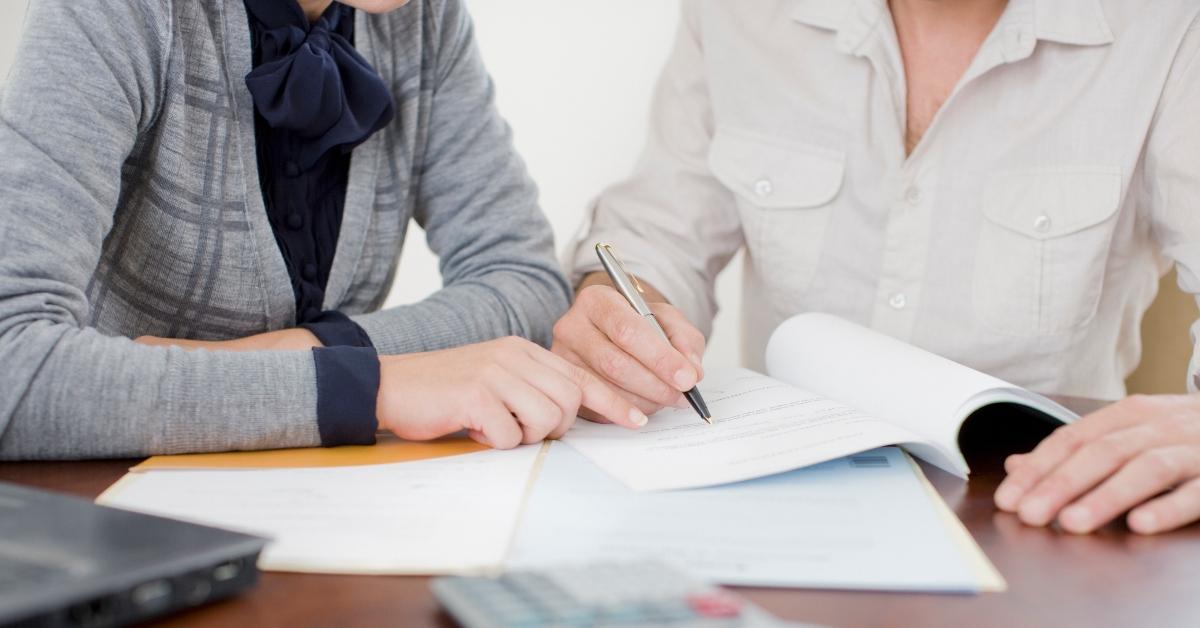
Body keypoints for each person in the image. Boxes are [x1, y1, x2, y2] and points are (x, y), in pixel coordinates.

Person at [552, 0, 1200, 534]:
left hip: (1038, 513)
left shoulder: (1171, 28)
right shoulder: (735, 15)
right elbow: (656, 232)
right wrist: (621, 300)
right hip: (781, 503)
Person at [0, 0, 645, 460]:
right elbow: (11, 365)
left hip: (320, 494)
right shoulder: (112, 13)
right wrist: (372, 384)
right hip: (109, 510)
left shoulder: (425, 18)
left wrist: (305, 349)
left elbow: (527, 284)